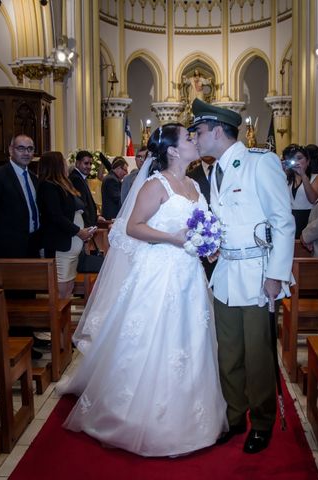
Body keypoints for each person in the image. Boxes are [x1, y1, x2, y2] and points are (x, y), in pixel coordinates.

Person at [56, 123, 227, 457]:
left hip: (190, 275)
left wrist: (208, 245)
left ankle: (192, 415)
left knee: (189, 339)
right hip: (159, 273)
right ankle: (138, 417)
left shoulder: (193, 183)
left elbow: (201, 225)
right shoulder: (155, 184)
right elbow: (133, 227)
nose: (194, 141)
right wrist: (174, 238)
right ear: (174, 150)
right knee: (154, 339)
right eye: (188, 138)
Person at [189, 98, 295, 454]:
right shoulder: (215, 169)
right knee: (229, 353)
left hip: (257, 274)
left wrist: (277, 275)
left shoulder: (259, 164)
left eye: (199, 131)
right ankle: (235, 416)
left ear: (218, 131)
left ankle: (262, 422)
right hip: (225, 273)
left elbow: (283, 221)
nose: (196, 137)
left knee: (258, 355)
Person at [37, 151, 95, 299]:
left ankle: (66, 321)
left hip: (71, 247)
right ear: (55, 165)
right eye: (63, 161)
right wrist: (78, 231)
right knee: (61, 290)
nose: (65, 164)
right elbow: (55, 216)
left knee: (68, 289)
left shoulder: (63, 184)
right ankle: (59, 321)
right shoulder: (48, 186)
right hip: (60, 244)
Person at [0, 134, 41, 258]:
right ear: (11, 150)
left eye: (30, 149)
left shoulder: (34, 178)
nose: (26, 153)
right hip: (6, 249)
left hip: (32, 245)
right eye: (21, 148)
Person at [282, 144, 318, 238]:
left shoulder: (316, 177)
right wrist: (281, 173)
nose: (296, 162)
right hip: (290, 219)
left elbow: (313, 199)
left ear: (308, 161)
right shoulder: (286, 179)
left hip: (309, 218)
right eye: (293, 159)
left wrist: (303, 175)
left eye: (299, 158)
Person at [68, 150, 102, 227]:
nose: (89, 167)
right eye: (86, 163)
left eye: (90, 164)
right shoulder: (76, 179)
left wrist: (96, 217)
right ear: (77, 163)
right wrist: (88, 225)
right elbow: (82, 206)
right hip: (83, 225)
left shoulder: (80, 178)